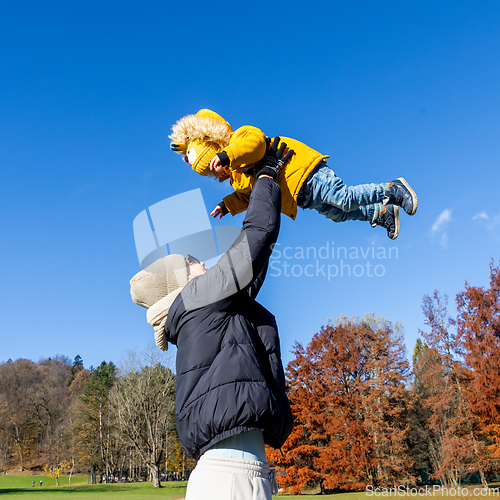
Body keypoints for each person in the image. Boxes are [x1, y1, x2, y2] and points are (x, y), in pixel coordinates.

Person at [130, 140, 294, 499]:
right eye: (193, 262)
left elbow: (253, 266)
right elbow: (255, 238)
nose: (203, 263)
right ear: (183, 280)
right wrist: (267, 173)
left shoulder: (200, 310)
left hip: (233, 475)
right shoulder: (199, 296)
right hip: (230, 479)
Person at [169, 109, 418, 240]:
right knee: (339, 214)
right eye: (216, 170)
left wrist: (228, 156)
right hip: (300, 196)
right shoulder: (237, 177)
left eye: (216, 162)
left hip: (307, 172)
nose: (220, 169)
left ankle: (393, 189)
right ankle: (381, 213)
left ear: (216, 146)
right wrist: (227, 205)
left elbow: (255, 145)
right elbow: (249, 196)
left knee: (343, 198)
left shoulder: (241, 138)